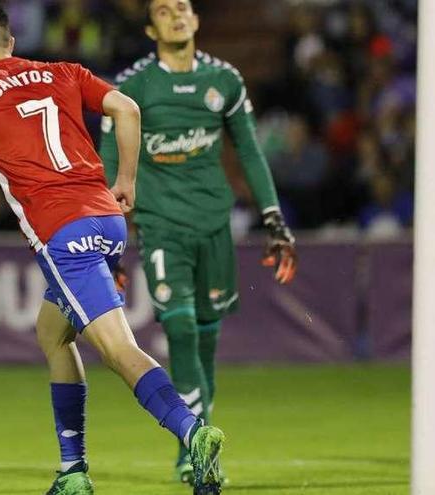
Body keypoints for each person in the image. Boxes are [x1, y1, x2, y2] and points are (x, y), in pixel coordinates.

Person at [0, 1, 224, 494]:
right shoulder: (61, 71)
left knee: (119, 349)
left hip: (65, 235)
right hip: (105, 216)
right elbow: (127, 108)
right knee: (53, 335)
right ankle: (73, 472)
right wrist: (126, 181)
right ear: (11, 43)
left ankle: (193, 433)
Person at [98, 0, 298, 485]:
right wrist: (111, 238)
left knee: (206, 338)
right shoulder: (135, 87)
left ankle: (196, 437)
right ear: (151, 28)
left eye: (183, 7)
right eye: (165, 10)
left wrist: (273, 216)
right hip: (162, 225)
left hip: (214, 224)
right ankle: (194, 445)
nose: (177, 15)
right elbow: (109, 160)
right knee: (180, 327)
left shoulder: (224, 81)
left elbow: (248, 148)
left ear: (197, 20)